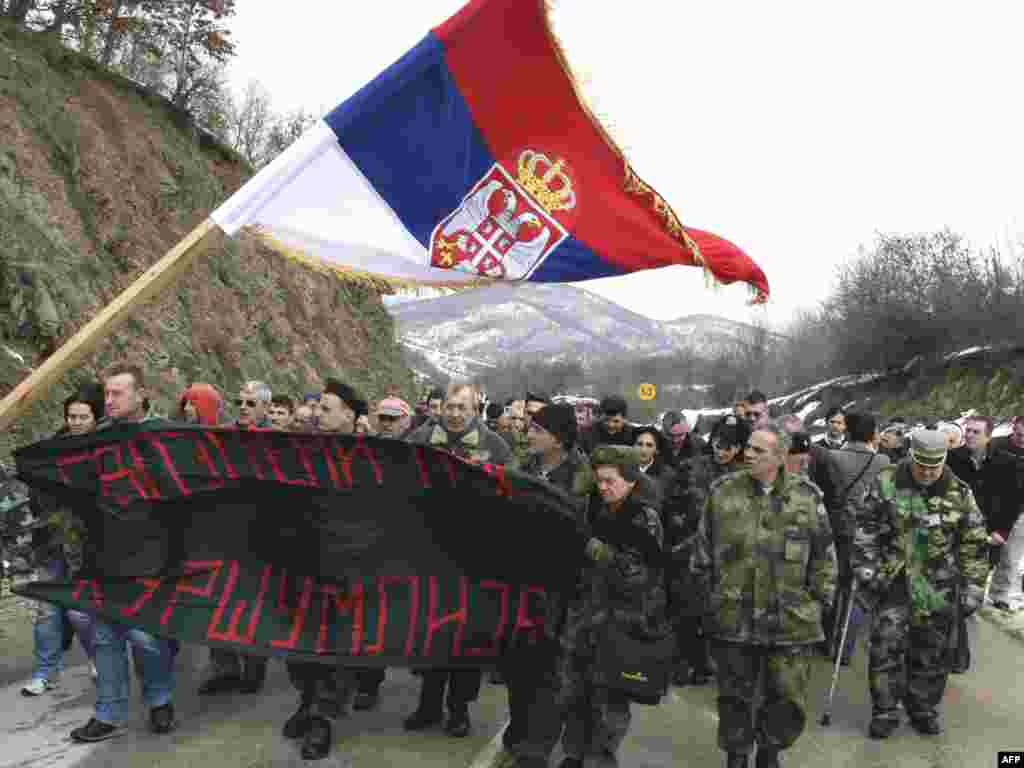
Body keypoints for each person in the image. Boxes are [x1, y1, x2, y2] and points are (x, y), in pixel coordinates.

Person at [693, 424, 836, 768]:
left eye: (758, 450)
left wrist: (820, 603)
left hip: (790, 621)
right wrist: (707, 602)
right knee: (734, 697)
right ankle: (737, 755)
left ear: (780, 456)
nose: (748, 454)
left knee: (787, 698)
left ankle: (770, 753)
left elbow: (824, 557)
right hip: (734, 617)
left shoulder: (807, 497)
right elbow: (702, 555)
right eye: (748, 447)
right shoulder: (723, 492)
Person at [852, 430, 990, 739]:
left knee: (932, 650)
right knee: (886, 646)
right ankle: (885, 710)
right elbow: (865, 527)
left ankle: (922, 708)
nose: (927, 472)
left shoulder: (959, 492)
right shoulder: (885, 482)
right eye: (921, 465)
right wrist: (866, 570)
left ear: (944, 461)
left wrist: (973, 588)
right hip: (894, 580)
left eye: (934, 466)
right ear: (911, 457)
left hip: (938, 585)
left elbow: (974, 543)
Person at [70, 363, 178, 743]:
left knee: (147, 637)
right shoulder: (98, 439)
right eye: (107, 393)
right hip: (104, 554)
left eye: (117, 393)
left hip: (152, 555)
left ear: (140, 394)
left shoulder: (166, 435)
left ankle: (160, 700)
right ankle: (108, 713)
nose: (109, 400)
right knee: (104, 637)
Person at [405, 382, 511, 737]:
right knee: (431, 631)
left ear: (474, 410)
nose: (454, 413)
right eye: (449, 406)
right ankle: (428, 704)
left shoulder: (495, 446)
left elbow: (508, 495)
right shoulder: (419, 439)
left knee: (468, 635)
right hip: (428, 551)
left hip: (475, 555)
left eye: (462, 407)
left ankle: (459, 709)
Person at [558, 445, 667, 768]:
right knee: (573, 693)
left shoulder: (643, 518)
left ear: (631, 481)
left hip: (621, 622)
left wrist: (593, 547)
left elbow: (638, 574)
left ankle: (600, 759)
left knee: (609, 703)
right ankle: (573, 754)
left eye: (610, 481)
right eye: (599, 480)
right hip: (582, 617)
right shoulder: (589, 508)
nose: (603, 487)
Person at [281, 378, 369, 760]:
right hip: (303, 565)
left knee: (336, 648)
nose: (317, 414)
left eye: (326, 408)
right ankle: (307, 700)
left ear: (349, 415)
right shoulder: (305, 451)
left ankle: (323, 719)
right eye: (317, 407)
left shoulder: (371, 457)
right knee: (297, 644)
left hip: (347, 571)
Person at [499, 404, 588, 768]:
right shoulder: (522, 467)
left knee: (550, 672)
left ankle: (535, 749)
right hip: (517, 586)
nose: (529, 434)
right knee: (516, 666)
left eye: (537, 429)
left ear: (559, 437)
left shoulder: (584, 477)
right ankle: (519, 730)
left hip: (560, 591)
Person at [21, 386, 103, 697]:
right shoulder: (50, 451)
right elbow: (35, 493)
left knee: (80, 612)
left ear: (96, 418)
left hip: (85, 546)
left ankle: (99, 660)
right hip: (50, 541)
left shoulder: (103, 450)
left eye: (83, 417)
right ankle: (46, 672)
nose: (76, 422)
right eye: (72, 416)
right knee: (46, 609)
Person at [198, 381, 269, 697]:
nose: (243, 407)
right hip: (221, 530)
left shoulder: (278, 442)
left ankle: (254, 667)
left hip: (260, 534)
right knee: (217, 600)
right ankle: (224, 668)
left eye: (250, 403)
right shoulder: (220, 437)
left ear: (264, 408)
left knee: (253, 602)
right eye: (239, 401)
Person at [671, 415, 751, 687]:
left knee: (717, 612)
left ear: (740, 448)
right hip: (690, 551)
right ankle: (683, 662)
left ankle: (707, 663)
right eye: (718, 442)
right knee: (685, 609)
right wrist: (680, 530)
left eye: (730, 446)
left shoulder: (747, 477)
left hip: (728, 556)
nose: (722, 450)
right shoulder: (690, 467)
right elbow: (673, 505)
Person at [821, 413, 890, 665]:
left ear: (847, 430)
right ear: (872, 434)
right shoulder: (882, 461)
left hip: (836, 527)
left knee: (832, 582)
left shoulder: (832, 457)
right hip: (866, 532)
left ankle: (825, 638)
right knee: (858, 590)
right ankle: (844, 648)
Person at [988, 416, 1024, 612]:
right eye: (1019, 435)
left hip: (1020, 509)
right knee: (986, 550)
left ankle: (1000, 594)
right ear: (1013, 429)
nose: (1022, 439)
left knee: (1011, 555)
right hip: (996, 505)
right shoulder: (997, 445)